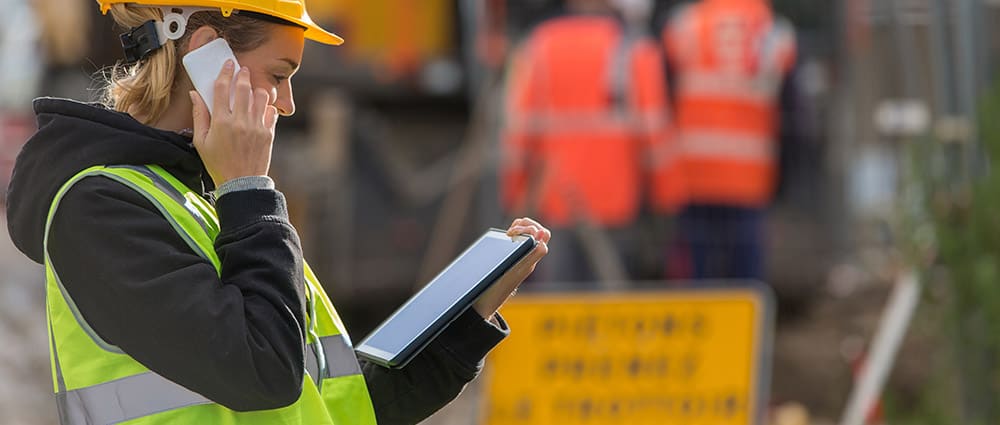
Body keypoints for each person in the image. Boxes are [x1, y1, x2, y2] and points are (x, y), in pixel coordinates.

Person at [5, 1, 551, 424]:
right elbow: (267, 370)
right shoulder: (99, 209)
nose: (288, 102)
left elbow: (338, 408)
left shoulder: (204, 202)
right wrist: (248, 188)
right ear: (206, 55)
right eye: (279, 72)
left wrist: (469, 320)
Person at [500, 0, 680, 285]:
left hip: (557, 202)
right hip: (616, 204)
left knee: (558, 309)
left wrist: (515, 197)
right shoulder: (636, 49)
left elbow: (519, 134)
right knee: (608, 307)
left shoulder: (540, 45)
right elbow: (655, 136)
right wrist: (667, 203)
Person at [661, 0, 796, 281]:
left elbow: (661, 97)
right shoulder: (774, 33)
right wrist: (786, 180)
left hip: (693, 173)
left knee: (697, 277)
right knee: (744, 280)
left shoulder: (685, 25)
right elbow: (793, 115)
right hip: (749, 178)